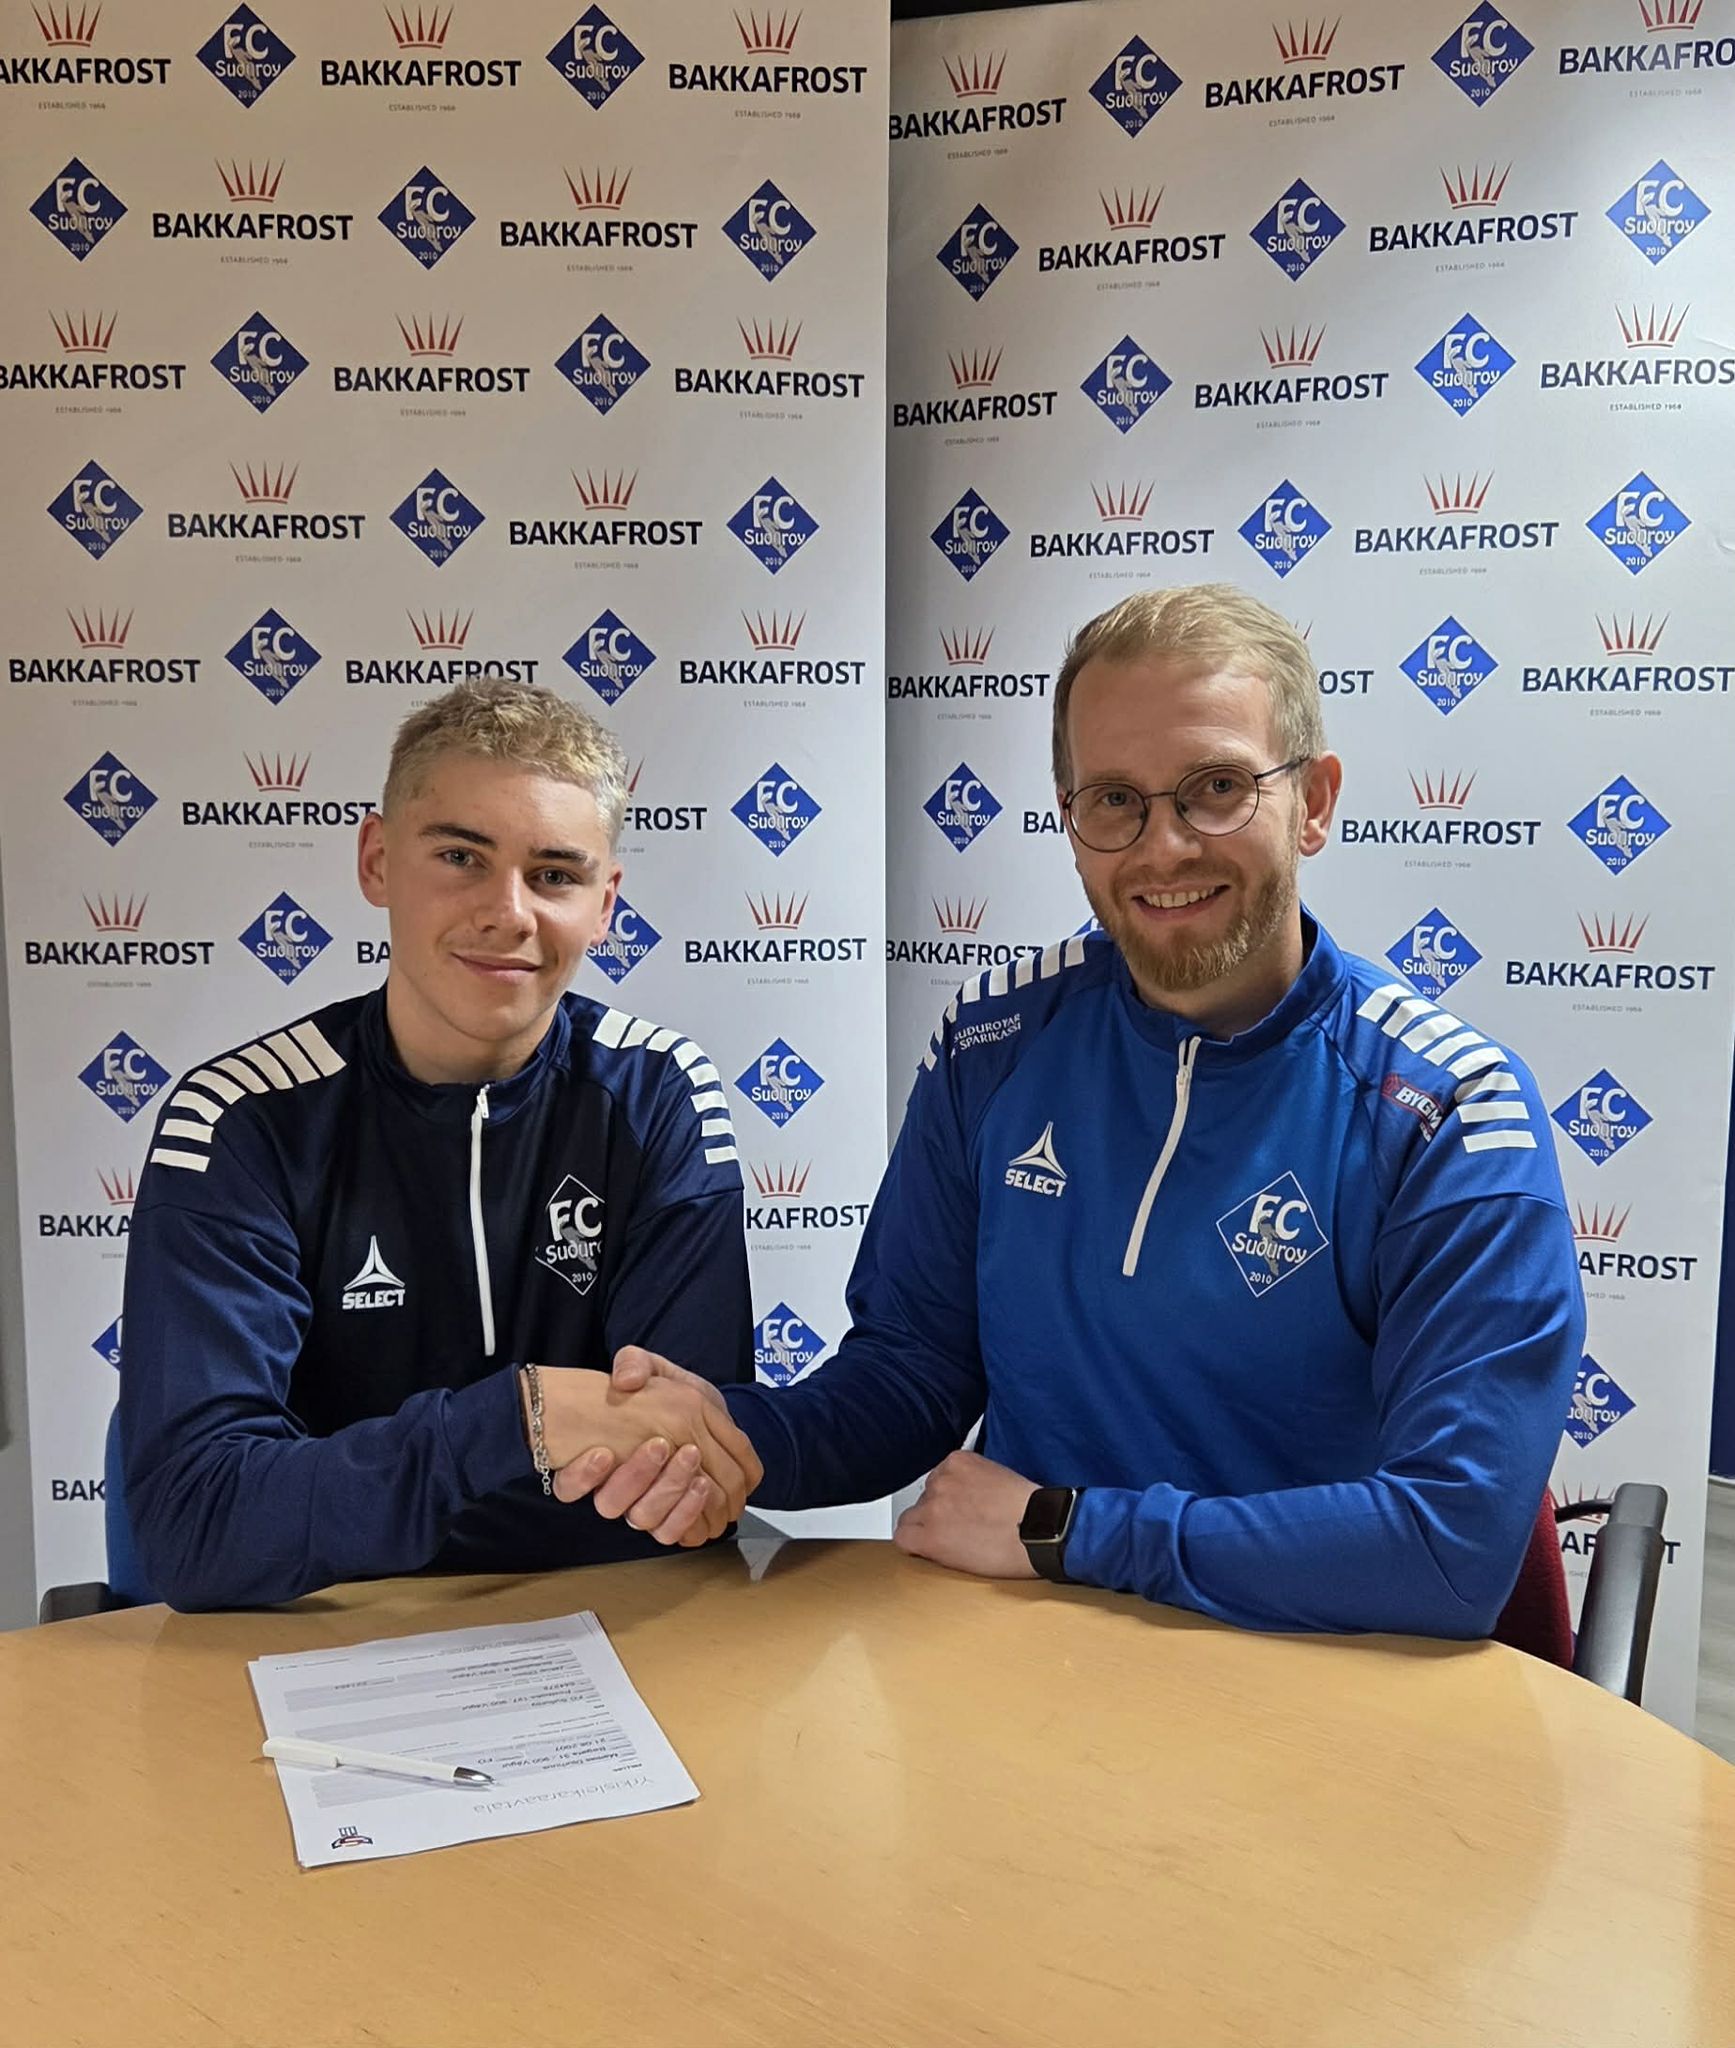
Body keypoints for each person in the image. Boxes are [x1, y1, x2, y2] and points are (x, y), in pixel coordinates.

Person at [568, 584, 1585, 1639]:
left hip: (1319, 1675)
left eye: (1216, 788)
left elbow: (1449, 1547)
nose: (1164, 846)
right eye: (1114, 800)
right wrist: (726, 1437)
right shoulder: (993, 1044)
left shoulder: (1447, 1111)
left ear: (1313, 801)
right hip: (1033, 1669)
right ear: (1068, 818)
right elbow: (911, 1378)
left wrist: (1063, 1529)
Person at [120, 677, 762, 1611]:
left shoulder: (660, 1094)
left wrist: (324, 1504)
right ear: (378, 862)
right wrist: (523, 1421)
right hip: (317, 1643)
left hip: (609, 1629)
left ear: (605, 903)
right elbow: (201, 1528)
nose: (509, 912)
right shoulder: (240, 1119)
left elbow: (687, 1486)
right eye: (461, 857)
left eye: (555, 874)